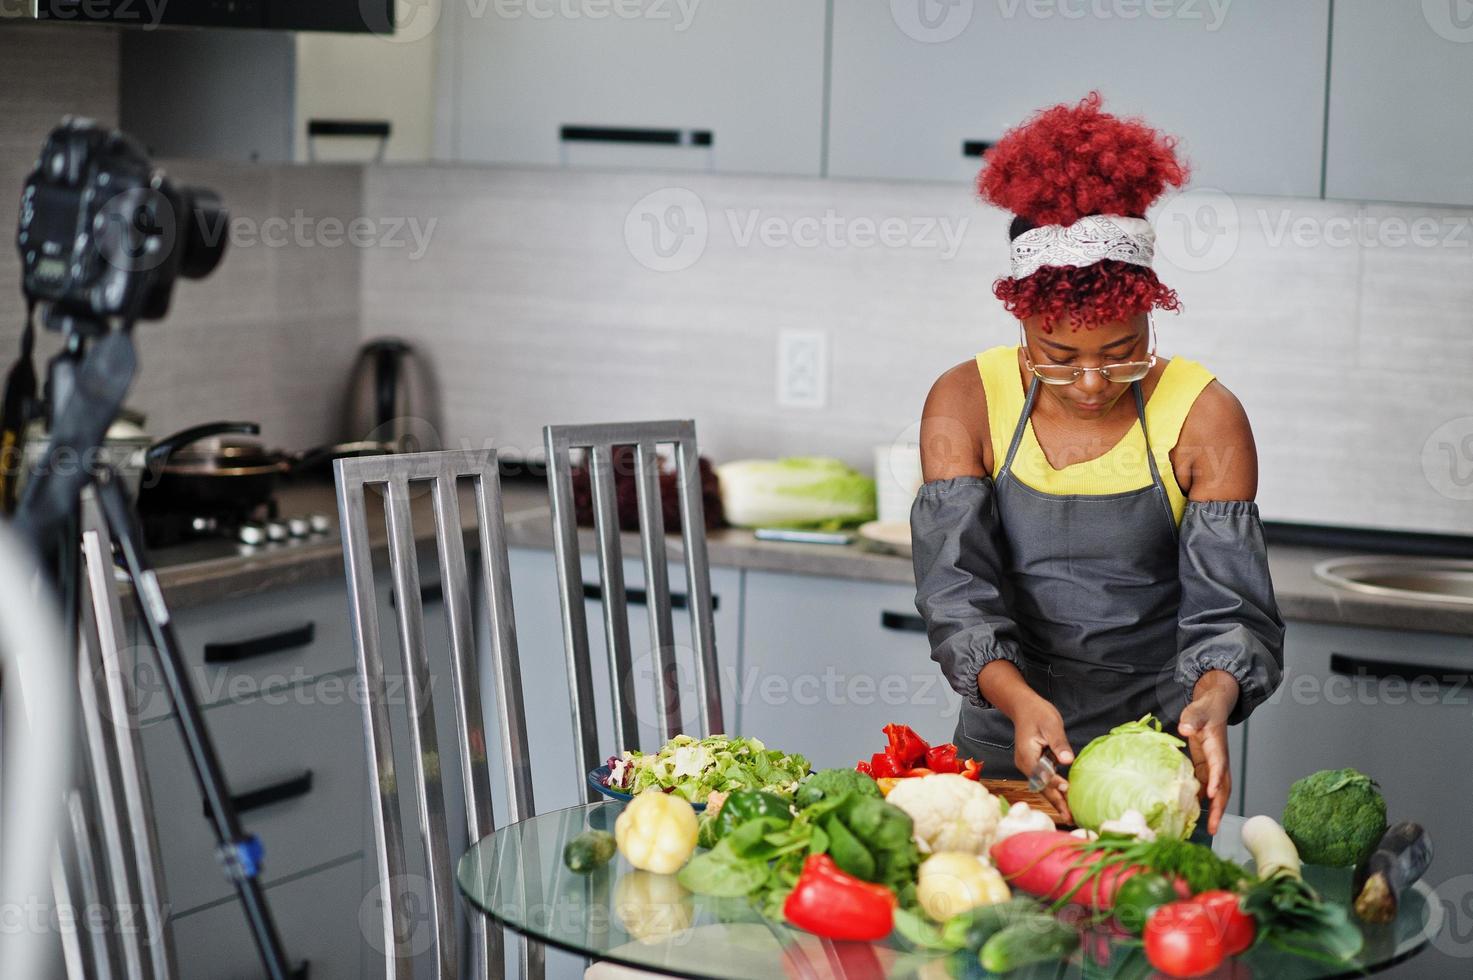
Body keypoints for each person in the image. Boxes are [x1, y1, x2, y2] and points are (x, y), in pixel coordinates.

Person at [911, 92, 1284, 835]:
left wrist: (1213, 702)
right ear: (1020, 320)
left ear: (1149, 311)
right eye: (1058, 358)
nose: (1089, 384)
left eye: (1120, 355)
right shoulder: (965, 401)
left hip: (1152, 765)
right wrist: (1020, 704)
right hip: (1005, 751)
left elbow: (1231, 615)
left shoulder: (1204, 415)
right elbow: (958, 599)